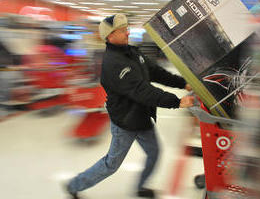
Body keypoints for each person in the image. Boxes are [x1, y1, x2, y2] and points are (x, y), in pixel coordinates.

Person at [66, 14, 194, 198]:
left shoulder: (133, 52)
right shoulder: (114, 64)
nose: (128, 32)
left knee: (154, 152)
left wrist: (183, 84)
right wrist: (177, 101)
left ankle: (141, 187)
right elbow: (141, 90)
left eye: (127, 28)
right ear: (110, 36)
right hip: (125, 123)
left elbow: (156, 72)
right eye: (122, 30)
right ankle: (74, 185)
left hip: (141, 117)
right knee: (112, 164)